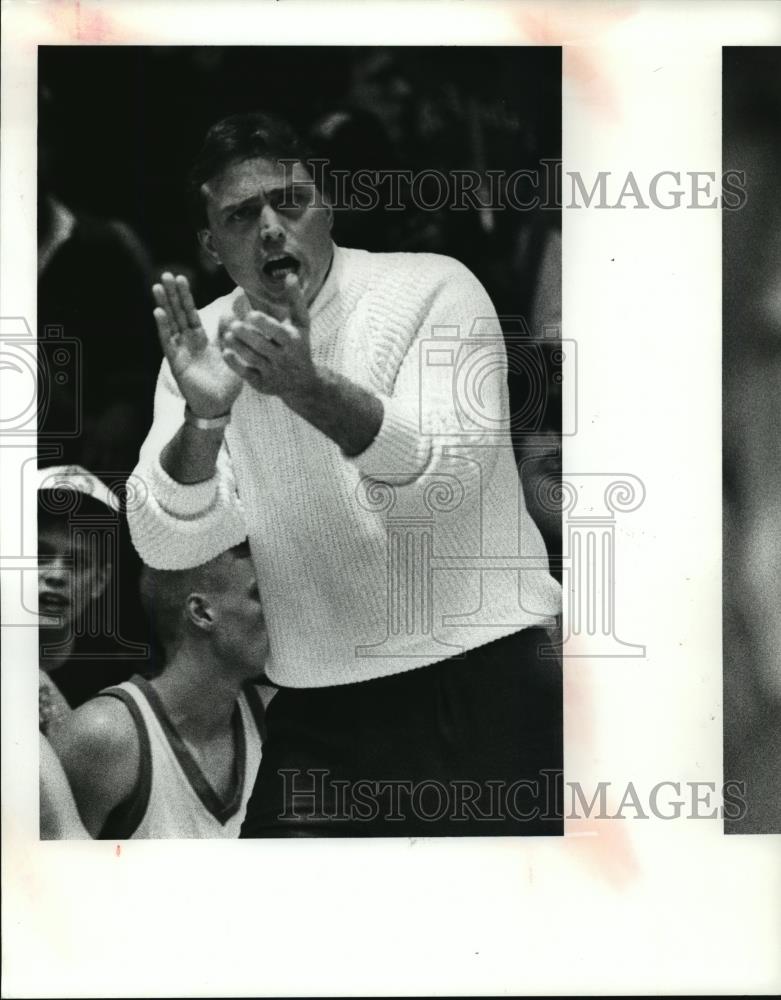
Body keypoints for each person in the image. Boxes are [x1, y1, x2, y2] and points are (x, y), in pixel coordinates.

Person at [127, 112, 563, 836]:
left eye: (288, 202)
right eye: (241, 214)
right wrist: (203, 422)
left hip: (481, 680)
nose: (270, 226)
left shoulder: (433, 289)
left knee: (507, 940)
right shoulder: (202, 345)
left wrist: (307, 388)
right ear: (211, 245)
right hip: (320, 705)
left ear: (324, 204)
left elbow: (442, 486)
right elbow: (165, 544)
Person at [48, 541, 270, 839]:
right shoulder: (102, 736)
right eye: (260, 594)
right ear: (202, 612)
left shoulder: (280, 716)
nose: (280, 612)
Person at [37, 465, 142, 734]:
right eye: (39, 556)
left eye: (78, 563)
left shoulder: (117, 685)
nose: (57, 575)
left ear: (99, 582)